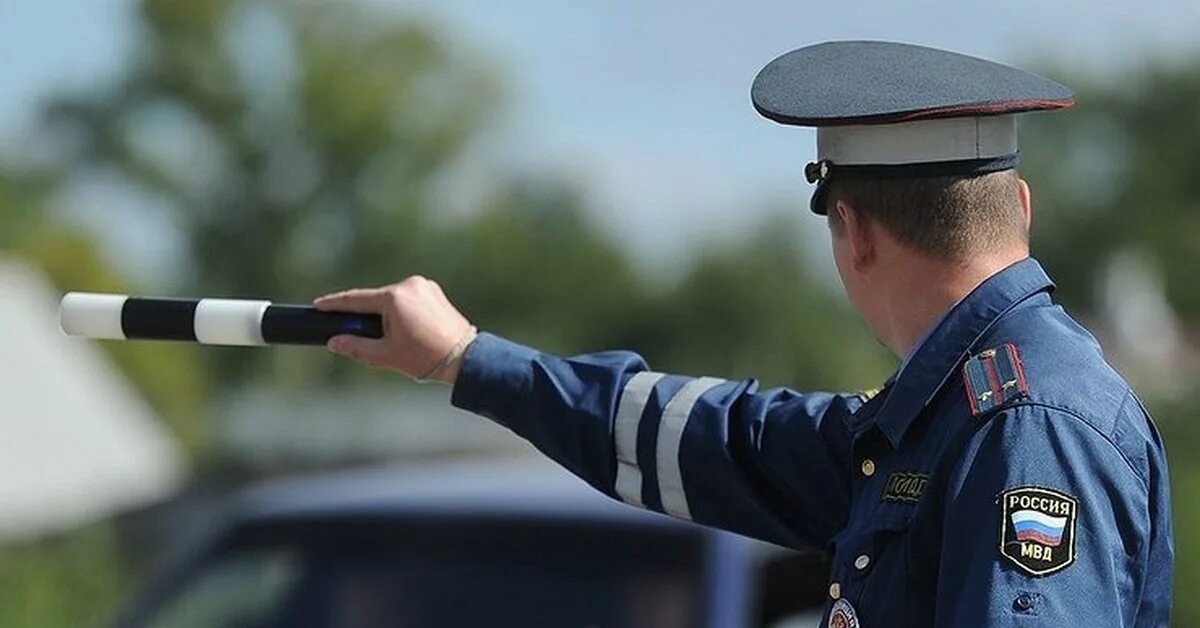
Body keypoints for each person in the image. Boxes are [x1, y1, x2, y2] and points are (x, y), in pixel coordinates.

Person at [314, 41, 1173, 627]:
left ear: (855, 233)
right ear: (1019, 206)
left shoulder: (1023, 425)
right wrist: (466, 358)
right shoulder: (956, 412)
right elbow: (726, 440)